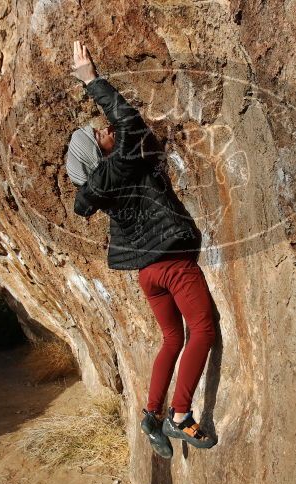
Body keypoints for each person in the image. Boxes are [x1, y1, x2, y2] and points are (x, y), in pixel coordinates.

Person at [67, 40, 218, 457]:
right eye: (100, 134)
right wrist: (91, 80)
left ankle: (151, 414)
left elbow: (120, 134)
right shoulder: (120, 163)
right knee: (202, 330)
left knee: (172, 338)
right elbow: (130, 123)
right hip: (170, 263)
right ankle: (180, 415)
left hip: (146, 275)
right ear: (99, 153)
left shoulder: (96, 188)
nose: (107, 130)